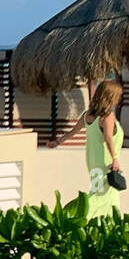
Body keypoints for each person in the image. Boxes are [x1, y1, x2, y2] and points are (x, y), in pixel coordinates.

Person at [52, 79, 124, 218]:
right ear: (111, 96)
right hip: (106, 164)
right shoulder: (107, 116)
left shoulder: (88, 115)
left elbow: (73, 131)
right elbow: (108, 137)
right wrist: (115, 159)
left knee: (100, 193)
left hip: (93, 162)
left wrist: (58, 141)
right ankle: (75, 216)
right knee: (102, 196)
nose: (119, 98)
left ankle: (94, 221)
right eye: (118, 95)